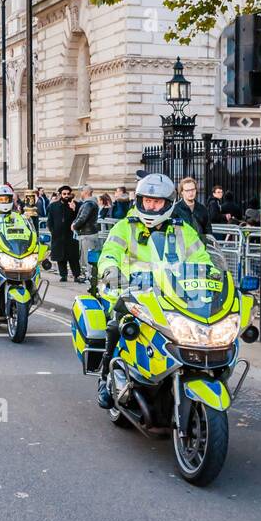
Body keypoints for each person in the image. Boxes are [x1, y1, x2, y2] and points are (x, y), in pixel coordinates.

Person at [93, 172, 212, 408]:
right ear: (139, 200)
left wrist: (212, 275)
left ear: (167, 203)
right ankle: (105, 376)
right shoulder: (124, 227)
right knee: (118, 326)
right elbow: (109, 254)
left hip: (172, 296)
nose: (151, 206)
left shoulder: (182, 230)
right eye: (147, 201)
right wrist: (110, 271)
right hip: (131, 294)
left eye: (156, 202)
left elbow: (202, 259)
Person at [47, 185, 81, 282]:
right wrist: (53, 230)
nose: (66, 196)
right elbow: (50, 220)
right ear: (60, 194)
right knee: (60, 257)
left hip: (70, 236)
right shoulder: (53, 206)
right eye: (64, 194)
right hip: (58, 235)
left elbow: (79, 218)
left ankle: (76, 275)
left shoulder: (76, 205)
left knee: (73, 257)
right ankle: (63, 275)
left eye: (68, 194)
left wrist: (74, 210)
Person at [71, 185, 101, 280]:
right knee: (86, 257)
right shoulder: (90, 203)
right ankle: (88, 275)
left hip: (87, 234)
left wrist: (74, 225)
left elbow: (83, 217)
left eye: (82, 191)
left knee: (88, 258)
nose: (81, 193)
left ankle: (90, 277)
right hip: (88, 233)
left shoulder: (89, 204)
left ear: (86, 192)